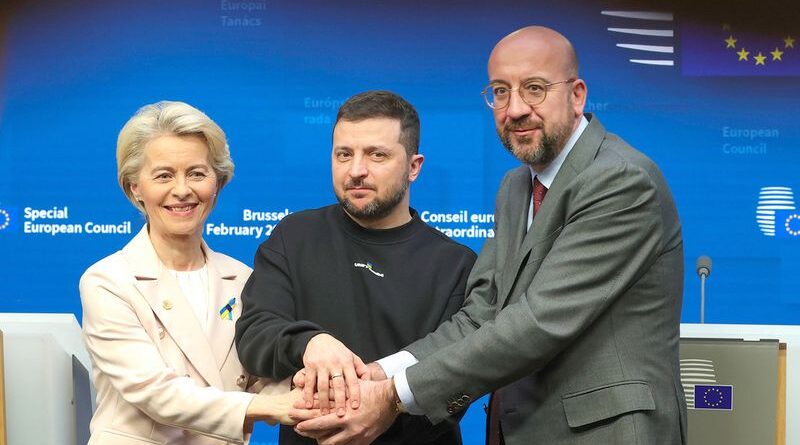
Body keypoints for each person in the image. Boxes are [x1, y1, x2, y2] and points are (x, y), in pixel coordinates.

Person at [291, 26, 688, 445]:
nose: (515, 109)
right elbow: (481, 312)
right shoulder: (516, 188)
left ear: (577, 95)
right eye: (500, 91)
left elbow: (539, 322)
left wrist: (392, 397)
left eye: (534, 89)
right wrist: (377, 373)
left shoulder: (620, 179)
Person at [235, 90, 477, 445]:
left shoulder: (456, 264)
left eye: (377, 155)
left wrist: (385, 404)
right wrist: (309, 343)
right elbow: (254, 334)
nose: (356, 171)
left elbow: (460, 376)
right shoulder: (294, 235)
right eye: (343, 154)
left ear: (414, 166)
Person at [79, 101, 301, 445]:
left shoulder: (242, 278)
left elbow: (261, 373)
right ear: (135, 187)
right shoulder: (107, 281)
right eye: (164, 175)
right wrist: (270, 407)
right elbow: (157, 393)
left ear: (217, 182)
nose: (182, 190)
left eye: (197, 173)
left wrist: (309, 393)